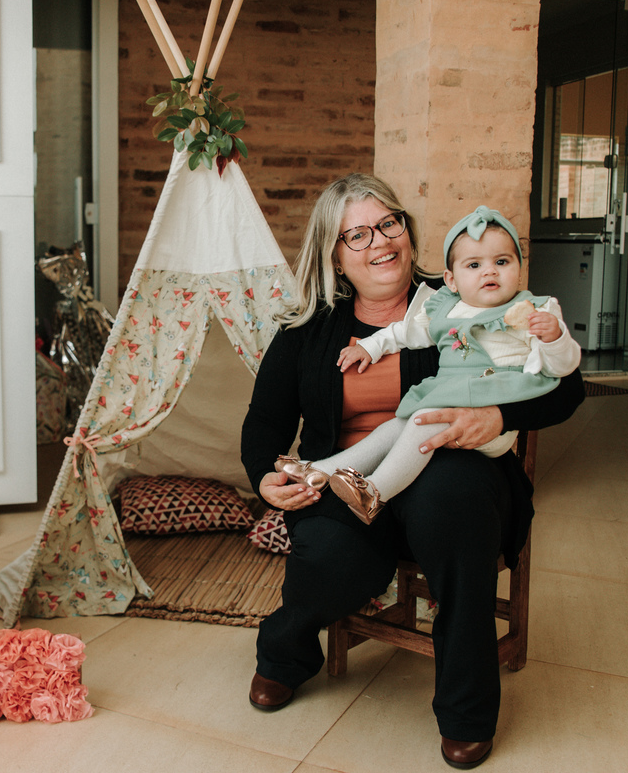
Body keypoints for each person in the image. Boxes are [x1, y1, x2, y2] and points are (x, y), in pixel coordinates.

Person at [240, 174, 584, 770]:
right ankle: (286, 654)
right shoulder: (310, 328)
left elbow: (566, 387)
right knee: (328, 557)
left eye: (390, 223)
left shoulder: (461, 295)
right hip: (353, 479)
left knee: (454, 515)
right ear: (335, 256)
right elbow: (265, 420)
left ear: (408, 228)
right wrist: (263, 477)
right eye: (359, 234)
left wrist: (499, 414)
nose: (381, 241)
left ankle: (467, 712)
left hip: (454, 472)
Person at [277, 205, 582, 524]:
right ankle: (319, 471)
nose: (489, 271)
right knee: (397, 424)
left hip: (493, 414)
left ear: (520, 267)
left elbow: (563, 368)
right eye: (474, 264)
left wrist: (555, 337)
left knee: (422, 418)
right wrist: (370, 346)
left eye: (502, 262)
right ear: (451, 279)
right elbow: (406, 331)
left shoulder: (535, 311)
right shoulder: (446, 307)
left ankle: (373, 493)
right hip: (450, 396)